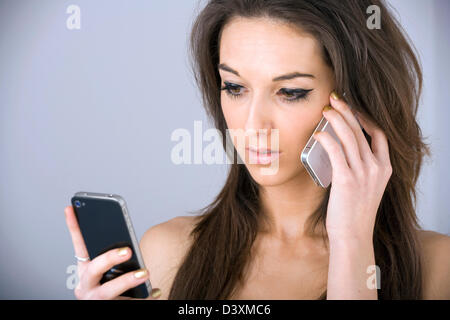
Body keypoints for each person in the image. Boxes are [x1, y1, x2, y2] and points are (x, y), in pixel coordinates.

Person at [65, 0, 450, 300]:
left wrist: (352, 241)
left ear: (356, 103)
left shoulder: (437, 267)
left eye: (290, 92)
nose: (252, 127)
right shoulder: (169, 253)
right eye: (235, 87)